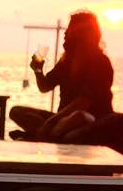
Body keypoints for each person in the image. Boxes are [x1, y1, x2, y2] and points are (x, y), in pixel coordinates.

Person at [9, 11, 115, 142]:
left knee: (78, 117)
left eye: (70, 29)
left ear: (81, 34)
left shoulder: (99, 62)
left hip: (90, 122)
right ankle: (46, 136)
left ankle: (40, 136)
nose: (65, 33)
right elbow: (45, 86)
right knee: (16, 112)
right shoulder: (67, 61)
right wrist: (38, 70)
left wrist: (51, 121)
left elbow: (83, 102)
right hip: (62, 121)